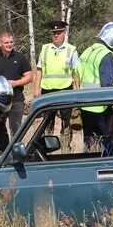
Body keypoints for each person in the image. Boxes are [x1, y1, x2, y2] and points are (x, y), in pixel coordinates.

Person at [75, 21, 113, 155]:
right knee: (108, 144)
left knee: (90, 145)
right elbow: (107, 85)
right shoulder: (106, 56)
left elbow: (77, 74)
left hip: (86, 105)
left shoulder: (88, 51)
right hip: (101, 107)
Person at [32, 19, 80, 148]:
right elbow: (39, 69)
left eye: (59, 32)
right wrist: (36, 89)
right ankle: (48, 147)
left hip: (65, 90)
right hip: (47, 91)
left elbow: (76, 73)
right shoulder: (45, 49)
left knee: (66, 121)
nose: (56, 35)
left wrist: (78, 91)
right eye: (54, 33)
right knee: (47, 122)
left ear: (64, 33)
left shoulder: (71, 50)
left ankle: (65, 146)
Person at [0, 31, 33, 150]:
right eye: (6, 43)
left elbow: (29, 76)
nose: (9, 45)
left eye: (11, 42)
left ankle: (16, 155)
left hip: (16, 100)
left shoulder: (20, 58)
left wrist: (15, 83)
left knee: (16, 130)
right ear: (0, 43)